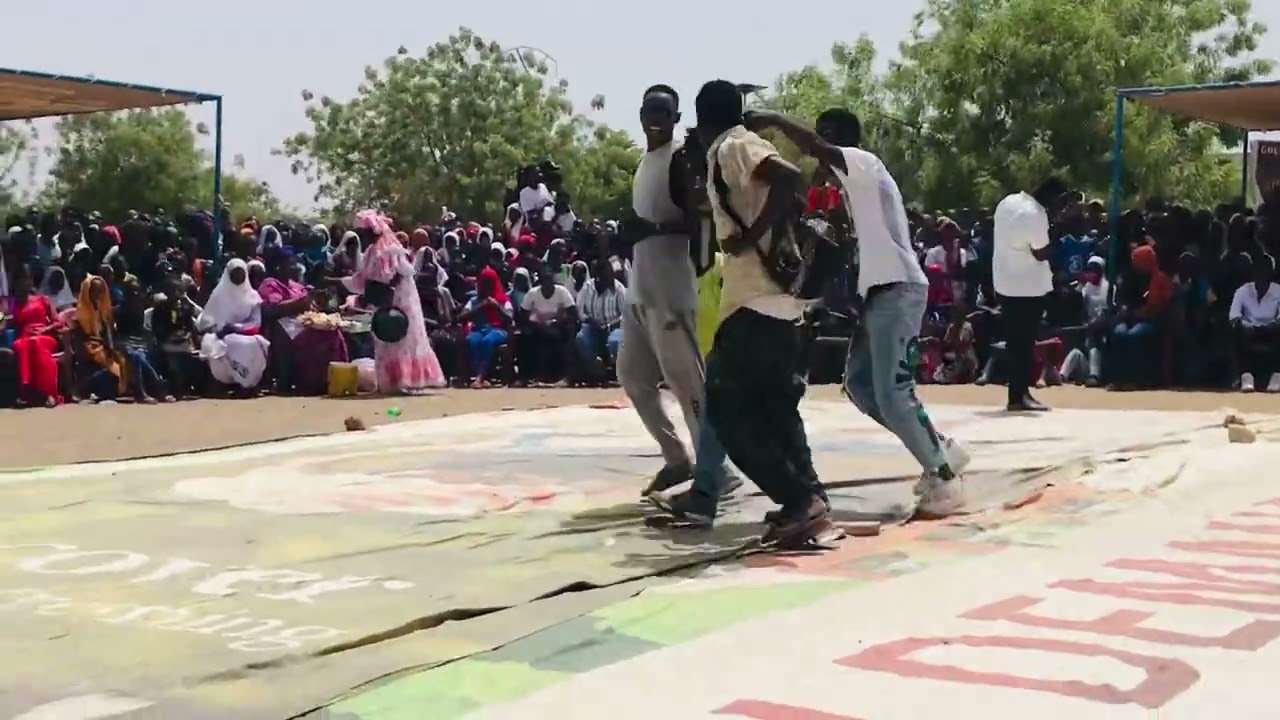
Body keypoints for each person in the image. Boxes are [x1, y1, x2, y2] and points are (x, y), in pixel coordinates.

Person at [746, 106, 969, 515]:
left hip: (899, 288)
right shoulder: (850, 191)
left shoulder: (864, 164)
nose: (820, 147)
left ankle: (944, 478)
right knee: (861, 387)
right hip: (877, 296)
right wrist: (804, 219)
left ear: (847, 140)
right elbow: (835, 239)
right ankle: (940, 449)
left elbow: (817, 148)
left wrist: (776, 120)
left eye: (828, 136)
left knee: (893, 392)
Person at [687, 80, 832, 543]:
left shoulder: (732, 145)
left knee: (727, 410)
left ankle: (796, 499)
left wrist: (750, 238)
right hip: (779, 302)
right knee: (776, 407)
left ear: (701, 119)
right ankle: (810, 499)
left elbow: (788, 175)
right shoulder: (743, 144)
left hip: (752, 299)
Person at [618, 83, 724, 496]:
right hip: (640, 287)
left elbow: (704, 220)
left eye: (664, 113)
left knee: (687, 384)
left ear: (676, 119)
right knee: (632, 377)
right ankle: (677, 459)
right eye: (650, 112)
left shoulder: (681, 160)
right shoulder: (646, 161)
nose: (656, 120)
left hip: (671, 287)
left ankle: (716, 470)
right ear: (641, 115)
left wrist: (656, 228)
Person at [340, 209, 447, 394]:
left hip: (400, 300)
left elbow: (395, 276)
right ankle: (390, 382)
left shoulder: (390, 249)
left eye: (364, 233)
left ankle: (404, 381)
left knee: (400, 338)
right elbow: (363, 279)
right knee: (385, 339)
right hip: (384, 300)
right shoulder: (371, 252)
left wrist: (379, 291)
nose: (362, 236)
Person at [992, 177, 1070, 411]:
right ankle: (1019, 396)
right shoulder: (1036, 214)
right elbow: (1041, 252)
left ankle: (1017, 394)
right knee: (1024, 344)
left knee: (1014, 342)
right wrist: (1058, 230)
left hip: (1004, 281)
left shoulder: (1007, 202)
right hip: (1027, 287)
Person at [259, 247, 349, 395]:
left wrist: (318, 300)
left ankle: (326, 380)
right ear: (278, 265)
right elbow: (274, 308)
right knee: (312, 336)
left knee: (332, 332)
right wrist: (299, 303)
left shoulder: (297, 286)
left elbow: (311, 306)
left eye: (294, 263)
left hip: (304, 322)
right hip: (283, 326)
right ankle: (306, 382)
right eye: (290, 264)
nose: (294, 267)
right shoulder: (270, 284)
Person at [197, 259, 271, 394]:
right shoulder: (218, 295)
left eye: (241, 273)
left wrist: (235, 328)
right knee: (219, 344)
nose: (238, 277)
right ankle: (226, 382)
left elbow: (256, 322)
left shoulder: (253, 296)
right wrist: (218, 329)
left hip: (245, 334)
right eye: (235, 273)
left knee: (256, 344)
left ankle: (246, 384)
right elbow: (206, 321)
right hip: (219, 335)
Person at [1108, 245, 1174, 391]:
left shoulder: (1161, 279)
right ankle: (1118, 378)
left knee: (1134, 335)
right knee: (1119, 332)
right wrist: (1124, 308)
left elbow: (1163, 305)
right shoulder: (1130, 277)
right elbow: (1122, 299)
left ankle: (1136, 378)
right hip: (1130, 318)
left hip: (1153, 320)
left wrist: (1145, 312)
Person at [6, 264, 64, 407]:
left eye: (25, 280)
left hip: (45, 336)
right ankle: (25, 388)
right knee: (22, 344)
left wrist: (43, 330)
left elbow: (58, 323)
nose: (23, 285)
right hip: (24, 338)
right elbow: (3, 320)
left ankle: (48, 392)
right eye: (19, 282)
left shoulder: (42, 300)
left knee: (34, 343)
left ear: (31, 282)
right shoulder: (13, 305)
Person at [1229, 253, 1280, 393]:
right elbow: (1234, 317)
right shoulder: (1242, 291)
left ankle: (1277, 377)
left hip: (1272, 331)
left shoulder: (1278, 291)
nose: (1261, 273)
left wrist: (1267, 327)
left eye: (1265, 269)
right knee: (1235, 332)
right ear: (1253, 271)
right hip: (1249, 331)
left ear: (1271, 272)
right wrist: (1248, 326)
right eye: (1258, 269)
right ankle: (1246, 377)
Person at [520, 265, 578, 385]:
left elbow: (573, 314)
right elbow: (523, 316)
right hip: (538, 328)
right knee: (524, 335)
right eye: (544, 280)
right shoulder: (532, 294)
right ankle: (525, 377)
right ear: (540, 282)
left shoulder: (562, 292)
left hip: (559, 327)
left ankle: (566, 376)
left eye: (549, 280)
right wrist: (537, 324)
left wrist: (558, 322)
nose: (547, 283)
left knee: (569, 331)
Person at [458, 267, 513, 388]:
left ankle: (480, 377)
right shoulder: (474, 301)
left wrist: (497, 307)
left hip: (498, 330)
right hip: (479, 329)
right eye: (484, 282)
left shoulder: (504, 300)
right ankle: (482, 376)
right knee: (472, 341)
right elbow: (461, 317)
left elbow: (509, 319)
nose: (486, 286)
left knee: (488, 341)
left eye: (489, 283)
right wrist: (481, 307)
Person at [575, 258, 627, 382]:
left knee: (615, 342)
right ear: (598, 276)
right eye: (606, 275)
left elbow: (626, 315)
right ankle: (596, 368)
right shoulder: (587, 287)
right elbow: (580, 311)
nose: (610, 278)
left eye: (611, 274)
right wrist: (590, 320)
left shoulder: (619, 289)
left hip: (614, 327)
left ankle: (615, 371)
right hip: (592, 327)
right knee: (581, 338)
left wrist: (610, 325)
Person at [152, 275, 203, 399]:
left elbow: (195, 320)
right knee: (173, 367)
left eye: (179, 291)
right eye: (173, 291)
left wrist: (196, 344)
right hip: (168, 345)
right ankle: (175, 389)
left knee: (198, 363)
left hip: (185, 343)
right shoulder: (160, 308)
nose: (176, 294)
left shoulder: (185, 307)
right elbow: (157, 330)